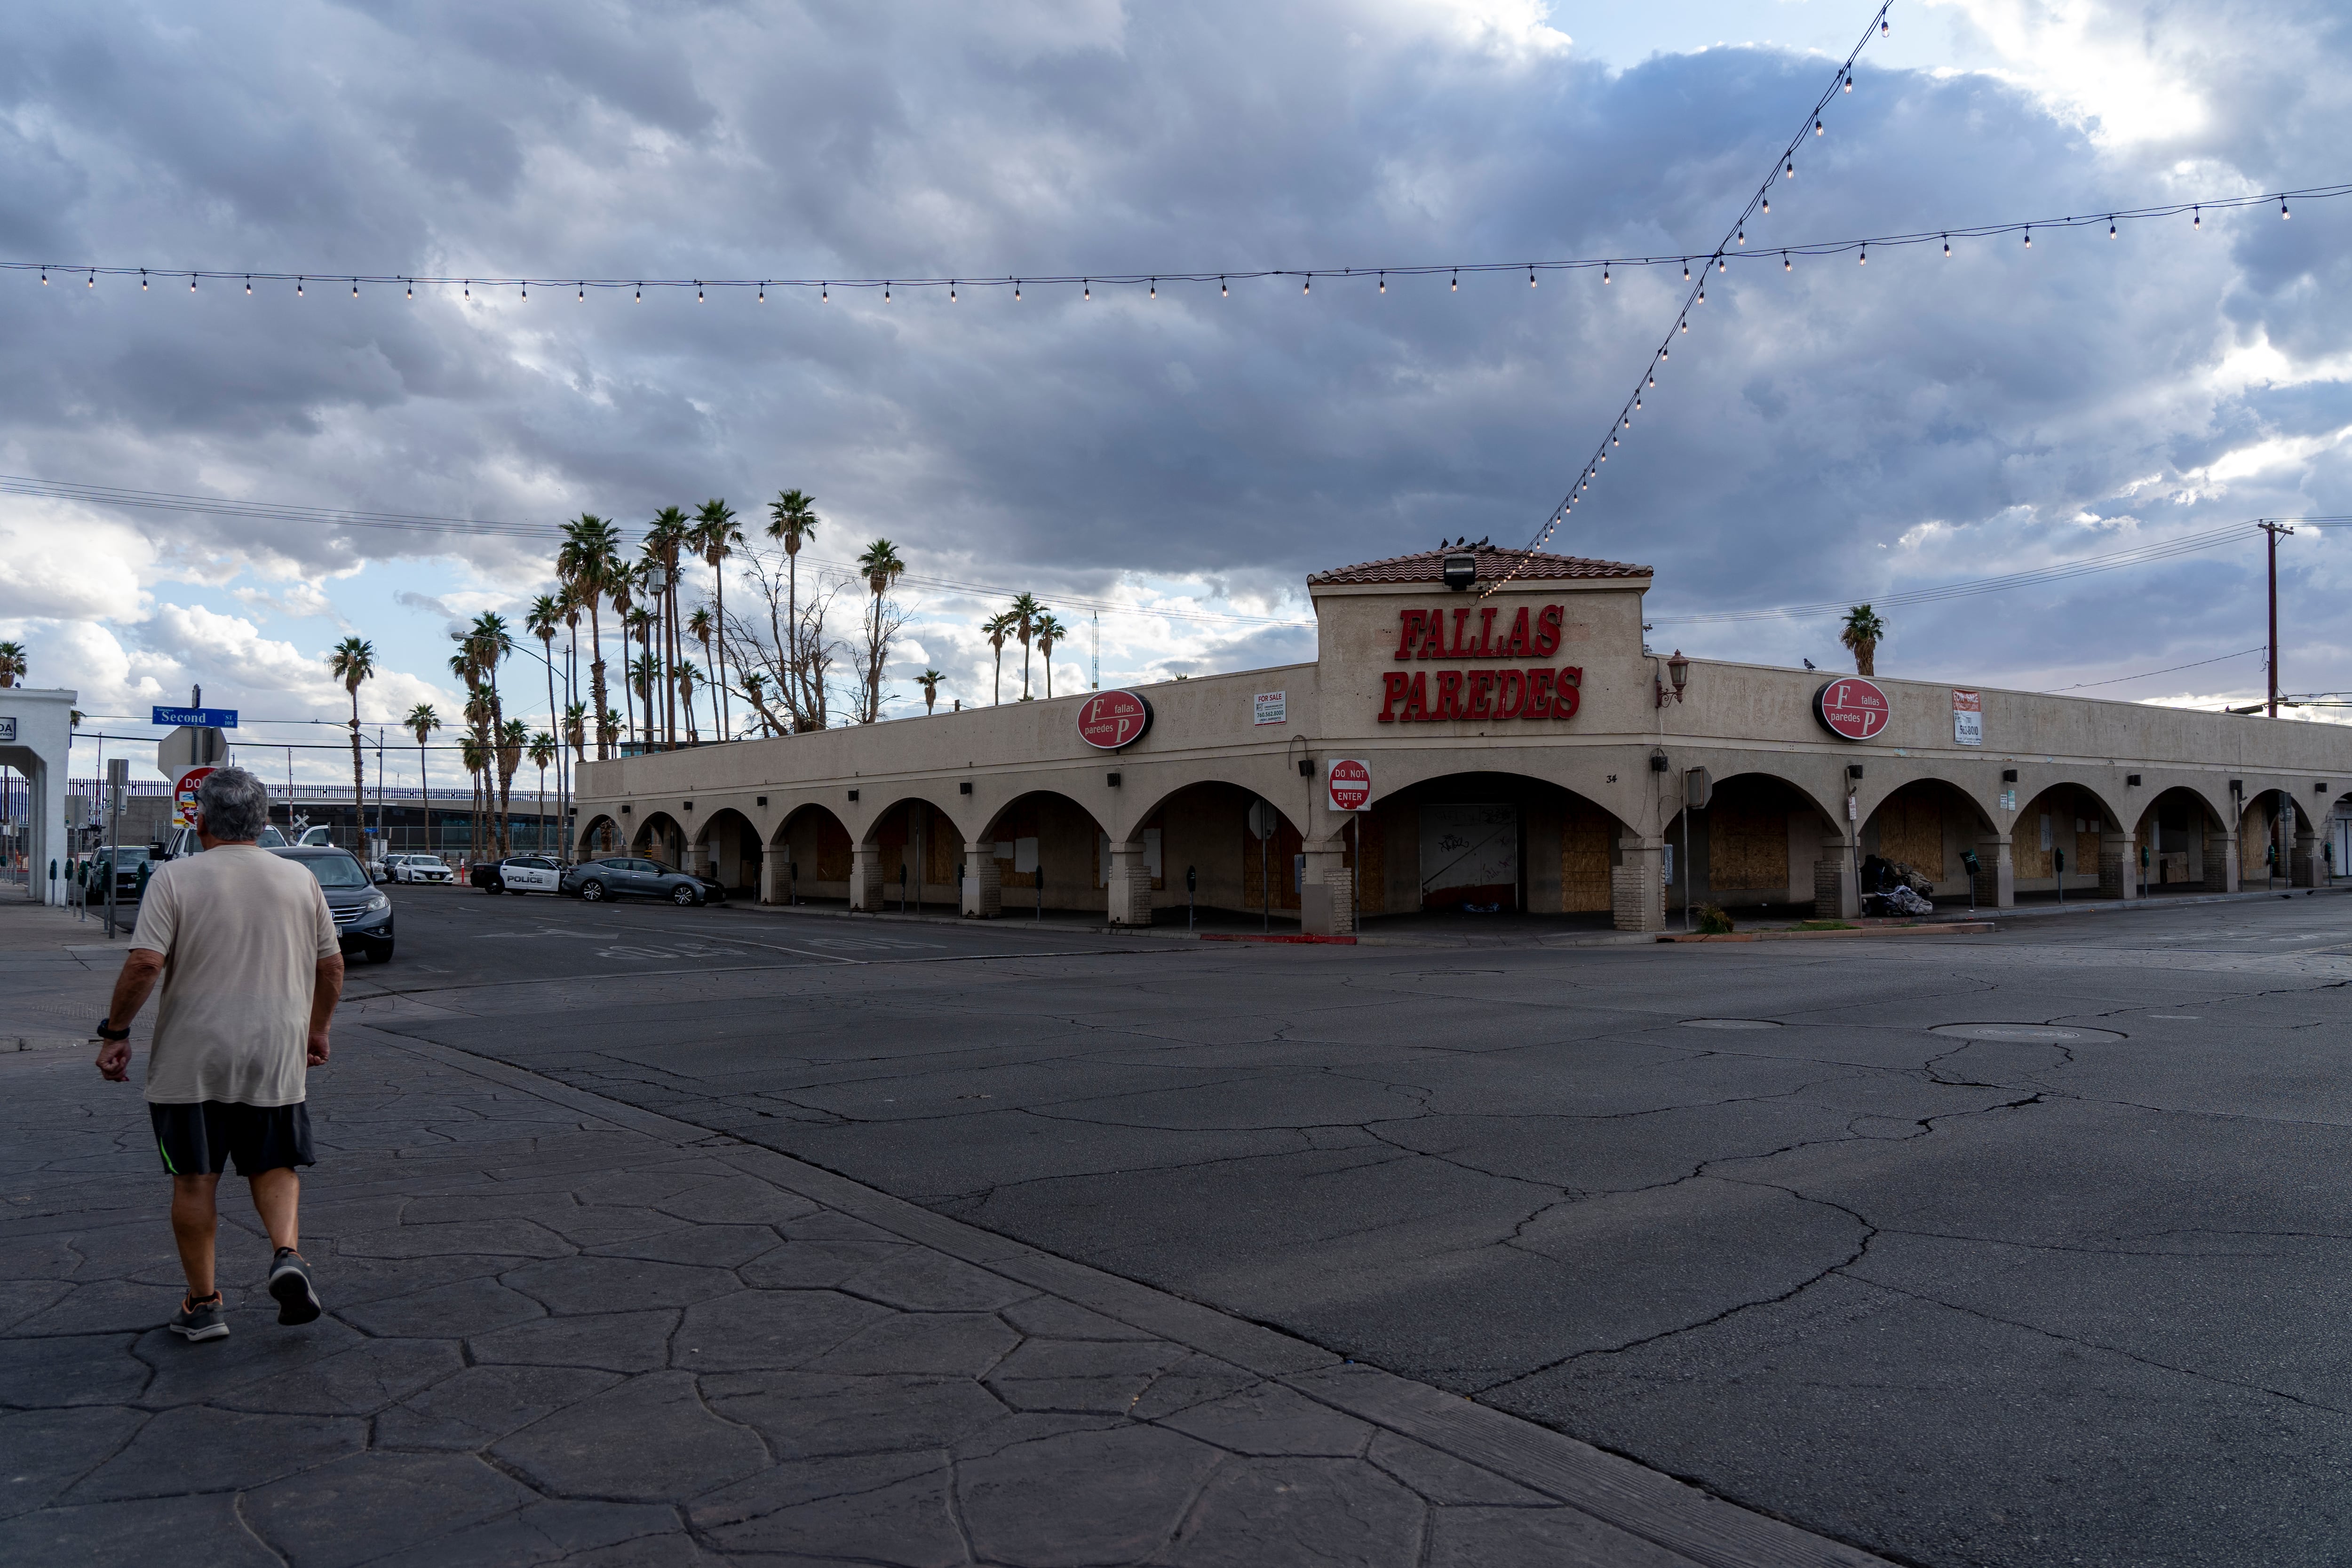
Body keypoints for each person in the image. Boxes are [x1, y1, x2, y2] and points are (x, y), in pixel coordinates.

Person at [92, 766, 343, 1343]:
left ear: (201, 819)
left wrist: (116, 1032)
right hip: (275, 1050)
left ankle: (204, 1305)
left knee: (194, 1179)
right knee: (274, 1165)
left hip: (192, 1057)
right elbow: (330, 966)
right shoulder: (298, 881)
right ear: (265, 823)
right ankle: (286, 1254)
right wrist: (318, 1029)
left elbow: (145, 964)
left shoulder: (176, 879)